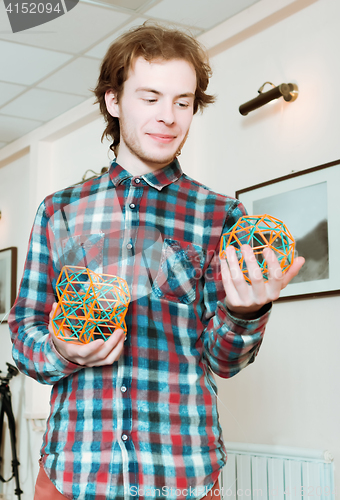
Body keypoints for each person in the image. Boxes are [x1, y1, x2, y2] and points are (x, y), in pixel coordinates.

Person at [8, 23, 304, 500]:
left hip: (182, 472)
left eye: (182, 102)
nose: (169, 116)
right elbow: (24, 338)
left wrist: (246, 313)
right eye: (150, 98)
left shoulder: (220, 216)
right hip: (74, 472)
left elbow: (223, 362)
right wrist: (64, 351)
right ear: (113, 101)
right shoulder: (58, 211)